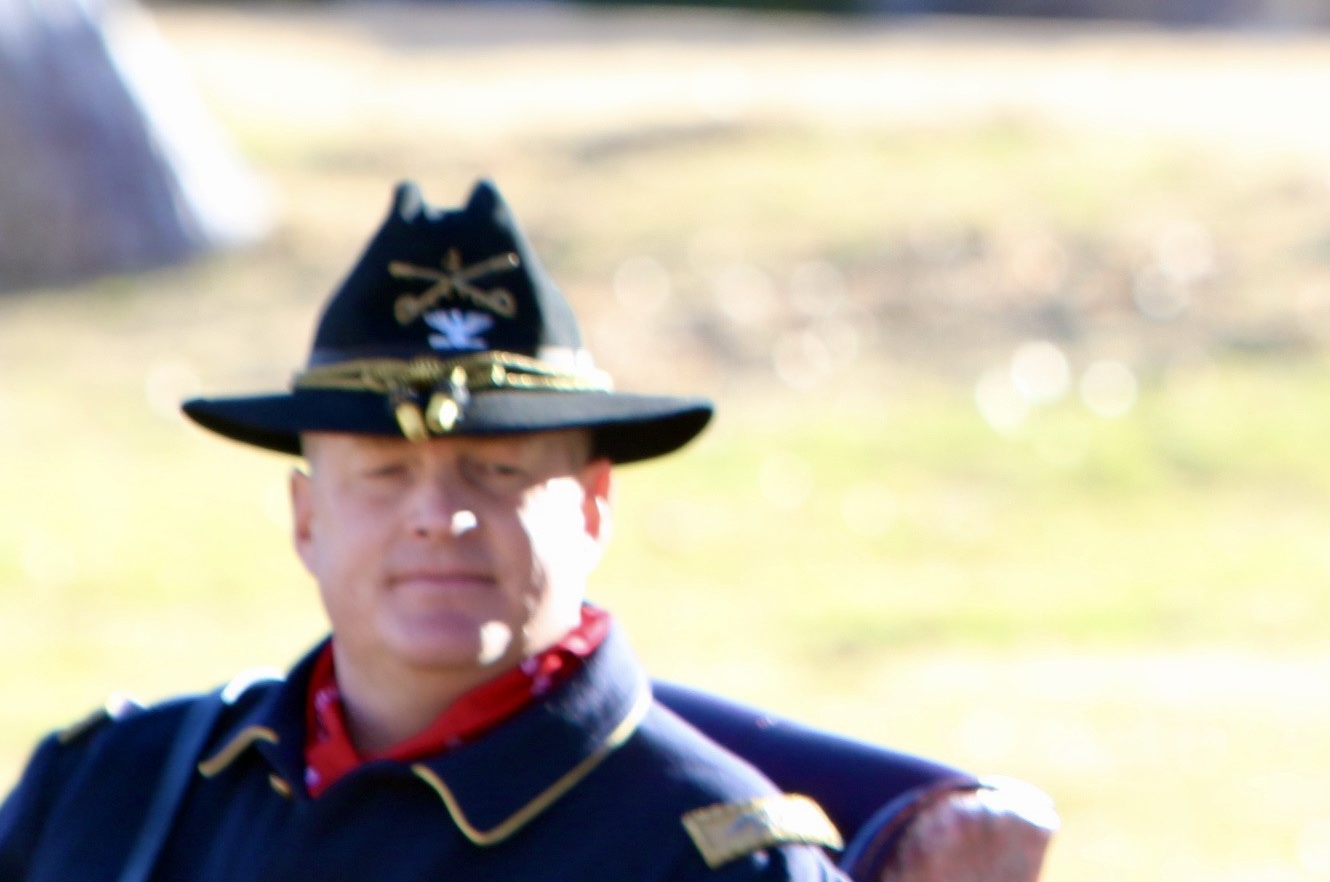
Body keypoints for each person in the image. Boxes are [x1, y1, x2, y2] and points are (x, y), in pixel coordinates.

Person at [0, 181, 851, 880]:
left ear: (593, 509)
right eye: (384, 471)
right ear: (306, 518)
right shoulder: (110, 789)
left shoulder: (709, 860)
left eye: (498, 469)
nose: (440, 518)